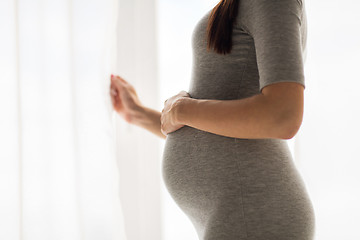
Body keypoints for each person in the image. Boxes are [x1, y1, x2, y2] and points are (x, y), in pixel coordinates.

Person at [109, 0, 316, 239]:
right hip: (239, 213)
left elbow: (283, 115)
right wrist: (138, 113)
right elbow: (217, 128)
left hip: (256, 212)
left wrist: (183, 110)